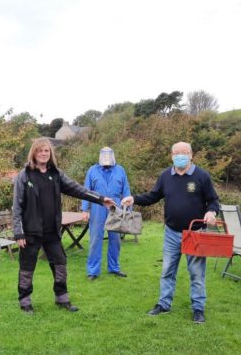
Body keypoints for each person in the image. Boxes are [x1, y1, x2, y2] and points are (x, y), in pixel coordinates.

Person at [12, 138, 116, 314]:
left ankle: (62, 299)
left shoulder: (55, 174)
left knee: (60, 263)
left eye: (47, 151)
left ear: (50, 153)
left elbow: (78, 189)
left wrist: (100, 199)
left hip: (52, 231)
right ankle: (25, 302)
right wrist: (19, 232)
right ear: (34, 153)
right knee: (27, 267)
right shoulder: (25, 175)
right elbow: (17, 206)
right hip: (30, 231)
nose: (44, 153)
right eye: (40, 151)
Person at [121, 142, 219, 324]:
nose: (180, 156)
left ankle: (198, 308)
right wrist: (134, 198)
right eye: (176, 153)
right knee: (167, 271)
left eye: (184, 152)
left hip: (195, 234)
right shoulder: (166, 176)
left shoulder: (202, 176)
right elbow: (153, 196)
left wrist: (211, 212)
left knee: (197, 273)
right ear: (171, 155)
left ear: (191, 155)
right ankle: (164, 304)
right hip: (171, 232)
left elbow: (213, 201)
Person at [81, 147, 131, 280]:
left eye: (109, 154)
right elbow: (86, 191)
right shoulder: (92, 170)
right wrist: (85, 209)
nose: (107, 156)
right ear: (100, 156)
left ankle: (114, 268)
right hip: (98, 206)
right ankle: (93, 271)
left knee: (115, 240)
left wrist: (128, 209)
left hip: (116, 207)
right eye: (104, 154)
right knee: (95, 239)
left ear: (113, 155)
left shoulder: (120, 170)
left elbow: (126, 190)